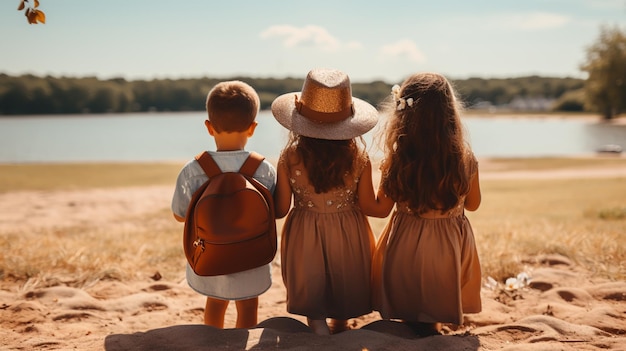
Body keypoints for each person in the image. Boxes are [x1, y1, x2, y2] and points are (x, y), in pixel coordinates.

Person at [360, 72, 482, 336]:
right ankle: (431, 326)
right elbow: (473, 205)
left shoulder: (399, 157)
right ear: (449, 112)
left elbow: (380, 210)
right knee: (434, 296)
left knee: (413, 295)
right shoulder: (465, 158)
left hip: (406, 248)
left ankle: (415, 325)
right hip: (448, 247)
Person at [271, 68, 380, 335]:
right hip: (348, 231)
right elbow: (368, 206)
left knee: (312, 283)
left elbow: (281, 208)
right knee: (344, 278)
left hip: (305, 232)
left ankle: (318, 328)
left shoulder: (289, 157)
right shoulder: (360, 159)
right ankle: (340, 324)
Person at [171, 80, 276, 329]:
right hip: (253, 254)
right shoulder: (263, 169)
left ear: (209, 127)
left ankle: (213, 340)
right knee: (249, 305)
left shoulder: (194, 170)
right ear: (252, 128)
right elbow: (275, 212)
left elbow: (179, 214)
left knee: (215, 302)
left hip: (211, 254)